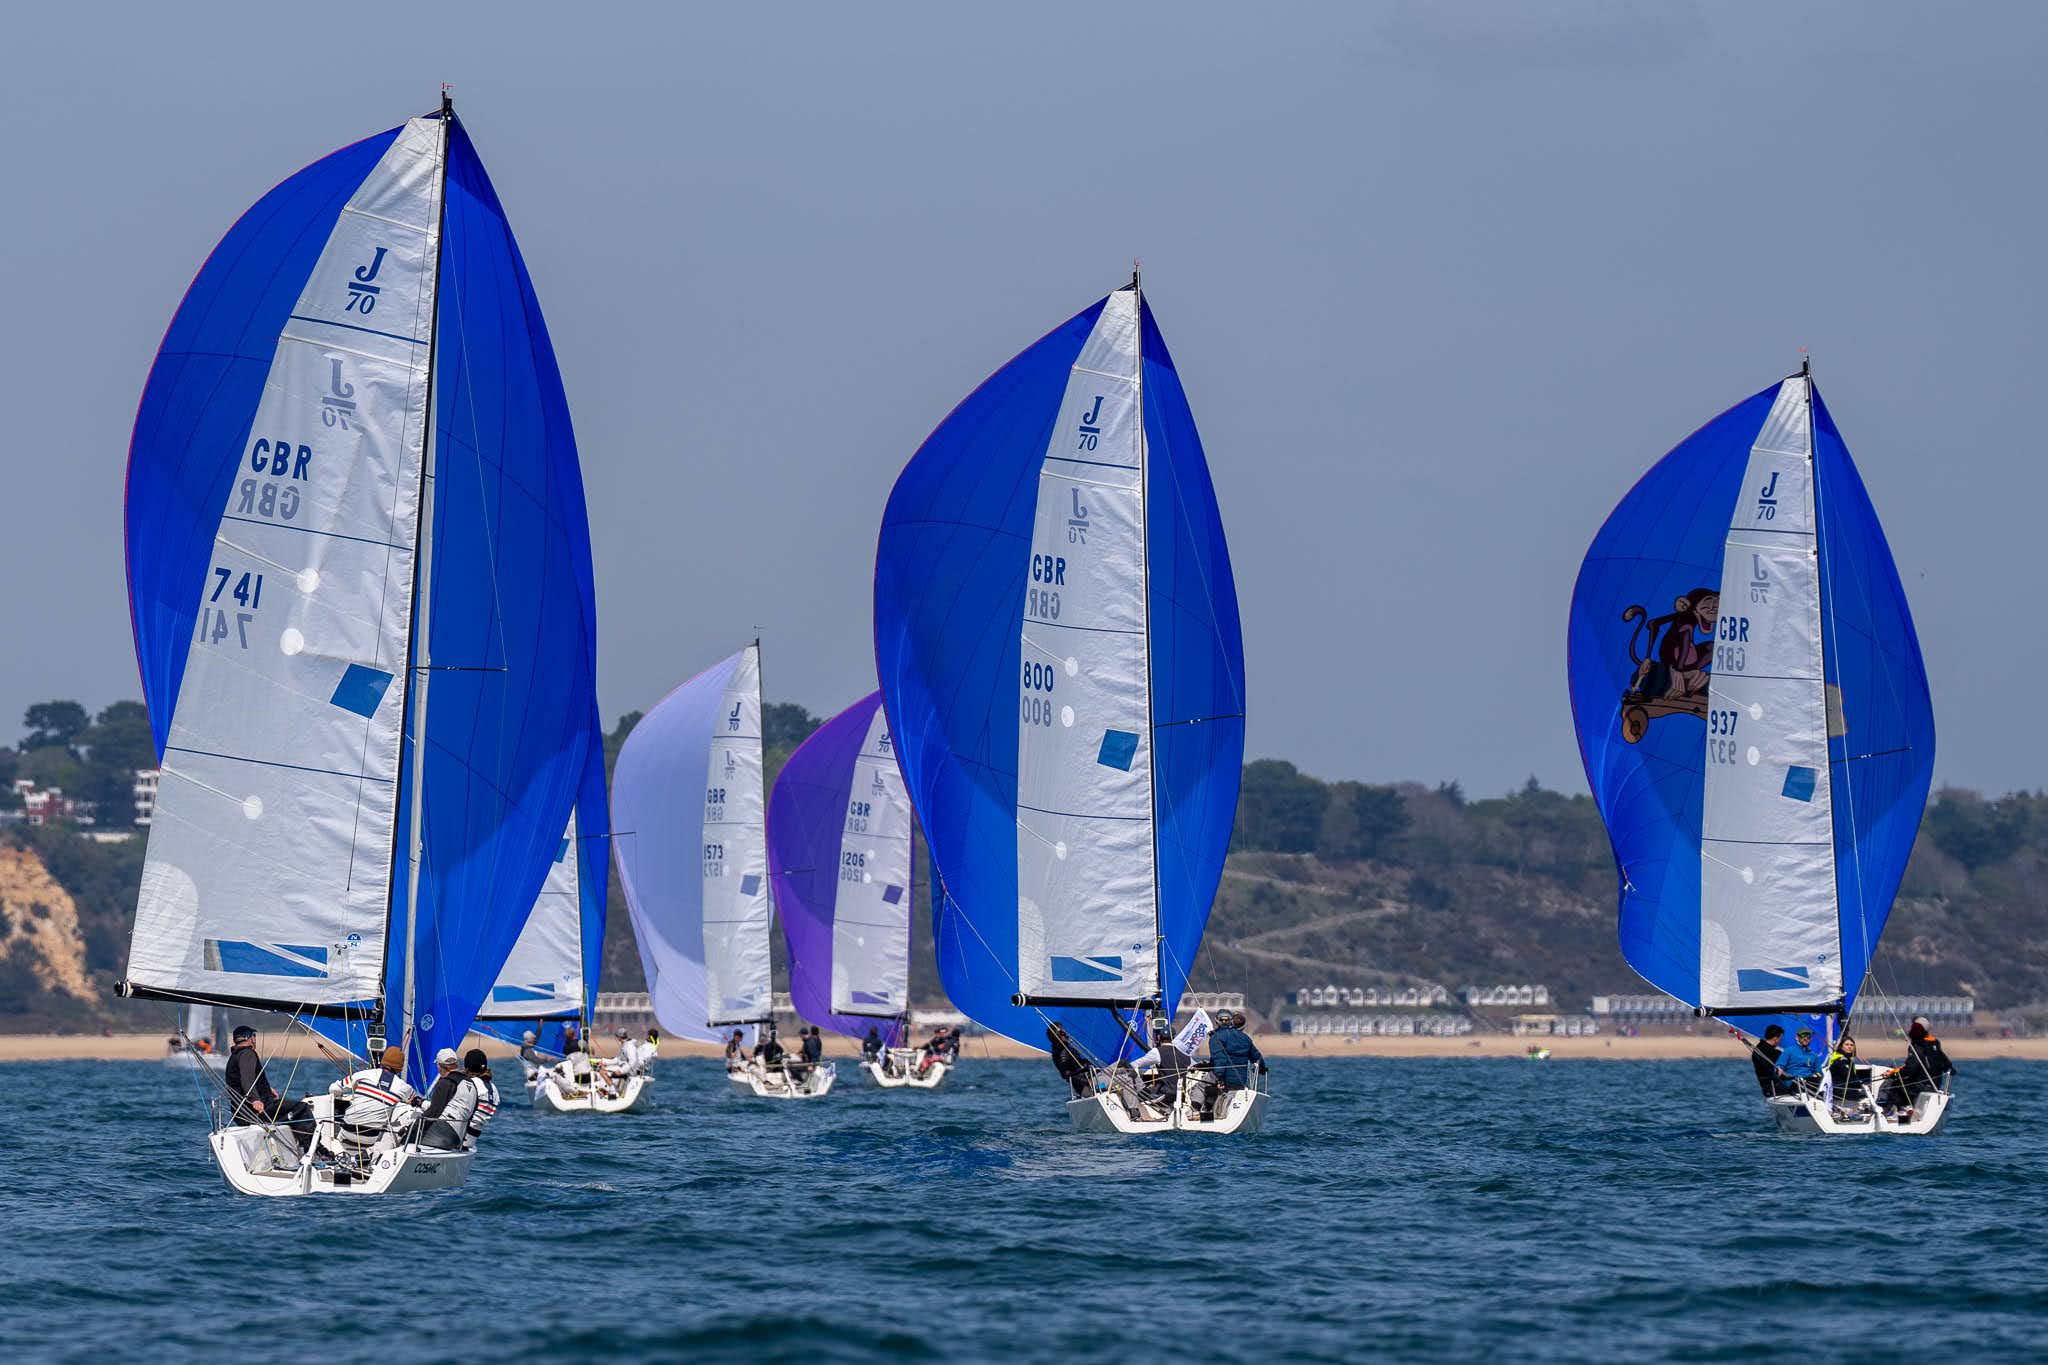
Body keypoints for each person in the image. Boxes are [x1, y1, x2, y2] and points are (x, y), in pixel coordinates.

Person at [223, 1025, 315, 1150]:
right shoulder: (248, 1054)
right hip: (258, 1110)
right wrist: (254, 1099)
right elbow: (246, 1079)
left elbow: (243, 1079)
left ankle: (298, 1145)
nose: (255, 1039)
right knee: (302, 1108)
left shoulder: (235, 1056)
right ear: (250, 1038)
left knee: (289, 1111)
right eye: (253, 1036)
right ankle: (314, 1150)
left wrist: (267, 1089)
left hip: (241, 1113)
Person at [330, 1045, 420, 1153]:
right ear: (400, 1068)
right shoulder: (404, 1087)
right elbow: (415, 1103)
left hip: (347, 1132)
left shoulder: (363, 1074)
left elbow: (333, 1089)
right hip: (371, 1138)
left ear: (382, 1062)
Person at [1878, 1016, 1956, 1117]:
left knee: (1895, 1085)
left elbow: (1910, 1069)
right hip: (1934, 1086)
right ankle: (1907, 1108)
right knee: (1903, 1083)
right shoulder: (1935, 1043)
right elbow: (1947, 1065)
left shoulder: (1917, 1046)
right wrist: (1895, 1071)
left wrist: (1894, 1075)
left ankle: (1900, 1110)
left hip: (1921, 1086)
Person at [414, 1048, 479, 1151]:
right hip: (458, 1138)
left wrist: (411, 1130)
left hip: (443, 1134)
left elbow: (433, 1112)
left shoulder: (445, 1082)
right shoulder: (471, 1084)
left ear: (440, 1066)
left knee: (408, 1137)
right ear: (456, 1064)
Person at [1205, 1010, 1266, 1116]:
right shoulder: (1245, 1038)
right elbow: (1256, 1057)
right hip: (1240, 1080)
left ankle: (1198, 1109)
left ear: (1216, 1021)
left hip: (1224, 1078)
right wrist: (1262, 1068)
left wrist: (1219, 1077)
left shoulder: (1216, 1037)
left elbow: (1219, 1059)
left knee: (1201, 1085)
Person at [462, 1050, 500, 1148]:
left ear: (467, 1067)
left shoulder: (470, 1083)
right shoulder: (494, 1089)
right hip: (471, 1141)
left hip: (456, 1137)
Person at [1046, 1022, 1091, 1098]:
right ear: (1058, 1036)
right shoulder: (1061, 1053)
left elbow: (1076, 1064)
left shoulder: (1067, 1049)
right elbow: (1066, 1074)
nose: (1066, 1034)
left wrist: (1086, 1063)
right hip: (1086, 1087)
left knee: (1117, 1067)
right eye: (1063, 1033)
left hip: (1091, 1080)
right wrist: (1087, 1081)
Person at [1776, 1026, 1827, 1094]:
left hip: (1809, 1084)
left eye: (1808, 1036)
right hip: (1793, 1084)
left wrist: (1815, 1075)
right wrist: (1779, 1070)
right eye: (1803, 1035)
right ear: (1797, 1037)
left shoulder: (1814, 1056)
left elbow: (1819, 1073)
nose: (1806, 1038)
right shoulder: (1789, 1051)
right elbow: (1779, 1066)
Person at [1748, 1024, 1793, 1097]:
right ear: (1775, 1039)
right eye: (1780, 1039)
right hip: (1776, 1089)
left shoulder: (1757, 1049)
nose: (1779, 1042)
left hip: (1768, 1088)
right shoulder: (1773, 1053)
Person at [1826, 1035, 1866, 1111]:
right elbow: (1850, 1078)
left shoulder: (1848, 1061)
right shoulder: (1840, 1061)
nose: (1849, 1047)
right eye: (1846, 1045)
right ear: (1841, 1047)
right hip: (1839, 1091)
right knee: (1864, 1093)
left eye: (1851, 1045)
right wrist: (1863, 1084)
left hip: (1845, 1090)